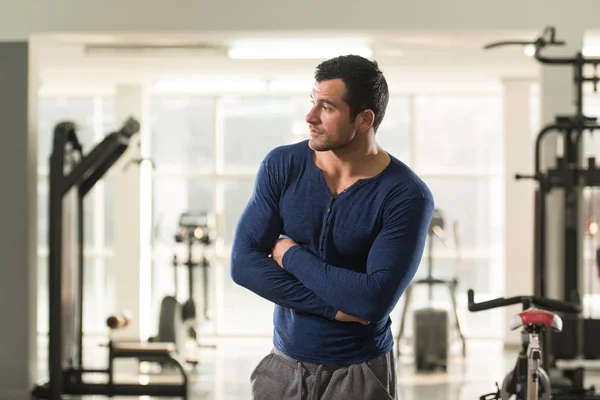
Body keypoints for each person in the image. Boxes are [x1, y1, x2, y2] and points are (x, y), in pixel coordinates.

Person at [230, 54, 434, 400]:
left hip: (360, 372)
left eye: (327, 107)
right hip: (283, 365)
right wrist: (334, 308)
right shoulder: (282, 165)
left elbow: (372, 300)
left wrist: (288, 253)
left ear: (364, 119)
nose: (310, 117)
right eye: (313, 102)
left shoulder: (406, 195)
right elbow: (244, 265)